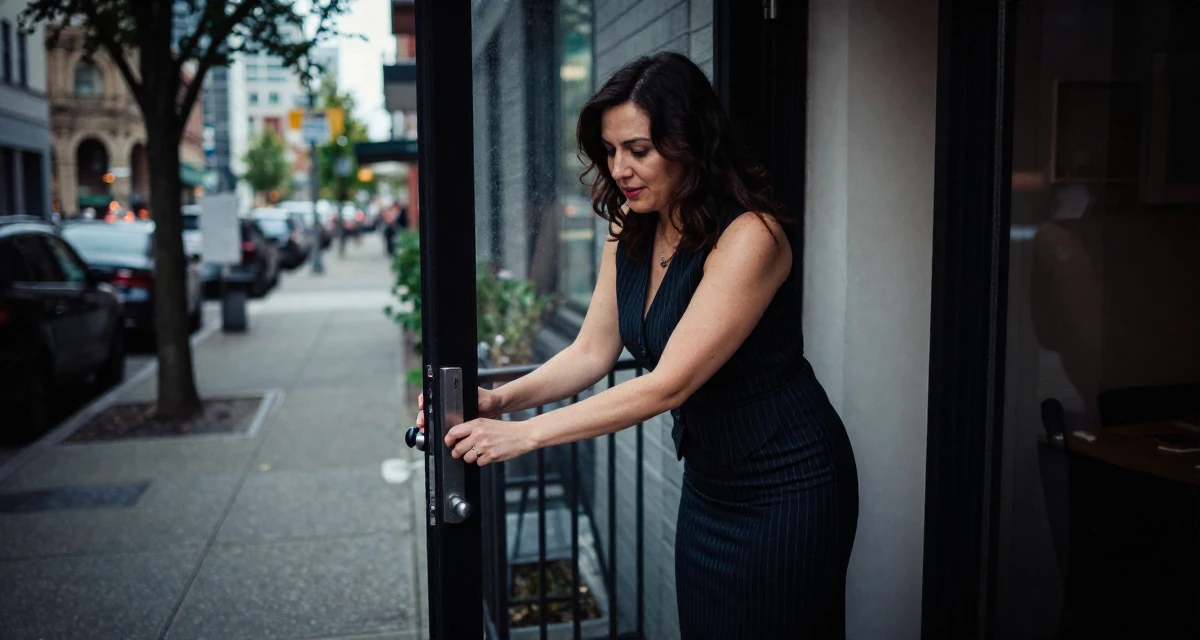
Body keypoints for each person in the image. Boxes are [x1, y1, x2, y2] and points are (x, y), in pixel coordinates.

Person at [415, 52, 859, 638]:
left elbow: (668, 383)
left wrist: (524, 436)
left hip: (790, 486)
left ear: (691, 143)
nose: (619, 167)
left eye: (639, 150)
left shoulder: (751, 236)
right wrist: (499, 401)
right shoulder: (631, 223)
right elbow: (590, 353)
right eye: (610, 150)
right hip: (710, 485)